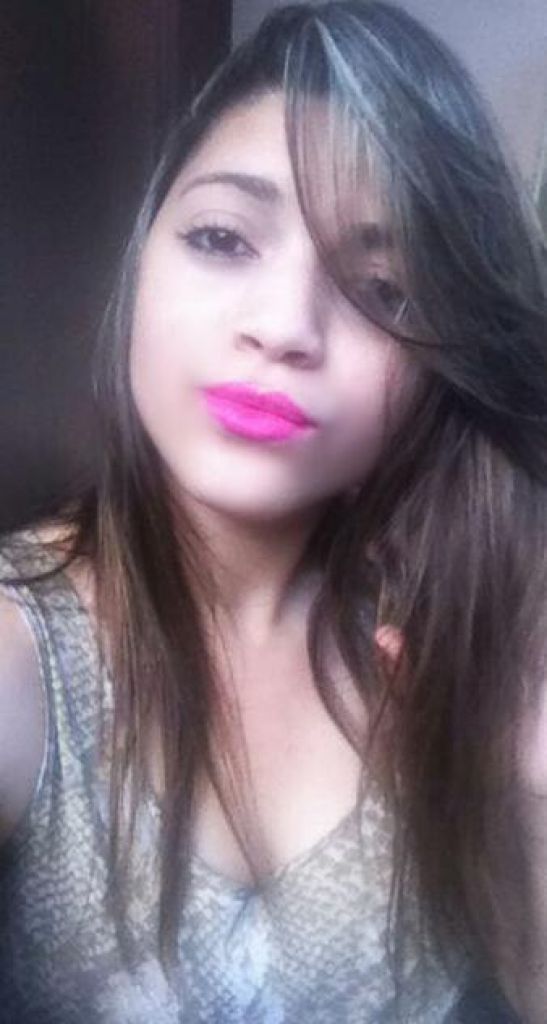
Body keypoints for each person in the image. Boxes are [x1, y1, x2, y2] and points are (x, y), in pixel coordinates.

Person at [0, 2, 545, 1020]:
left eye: (381, 289)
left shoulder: (479, 625)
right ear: (141, 263)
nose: (286, 325)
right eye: (221, 238)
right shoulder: (21, 648)